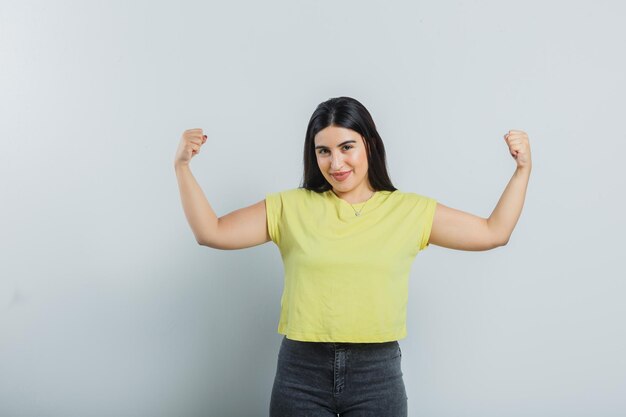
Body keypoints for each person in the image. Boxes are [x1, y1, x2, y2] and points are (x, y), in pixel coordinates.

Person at [174, 96, 532, 417]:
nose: (336, 163)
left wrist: (522, 171)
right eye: (324, 151)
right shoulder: (290, 206)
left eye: (347, 147)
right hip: (301, 373)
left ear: (370, 145)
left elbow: (493, 233)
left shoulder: (409, 211)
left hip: (377, 374)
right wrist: (182, 168)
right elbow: (212, 232)